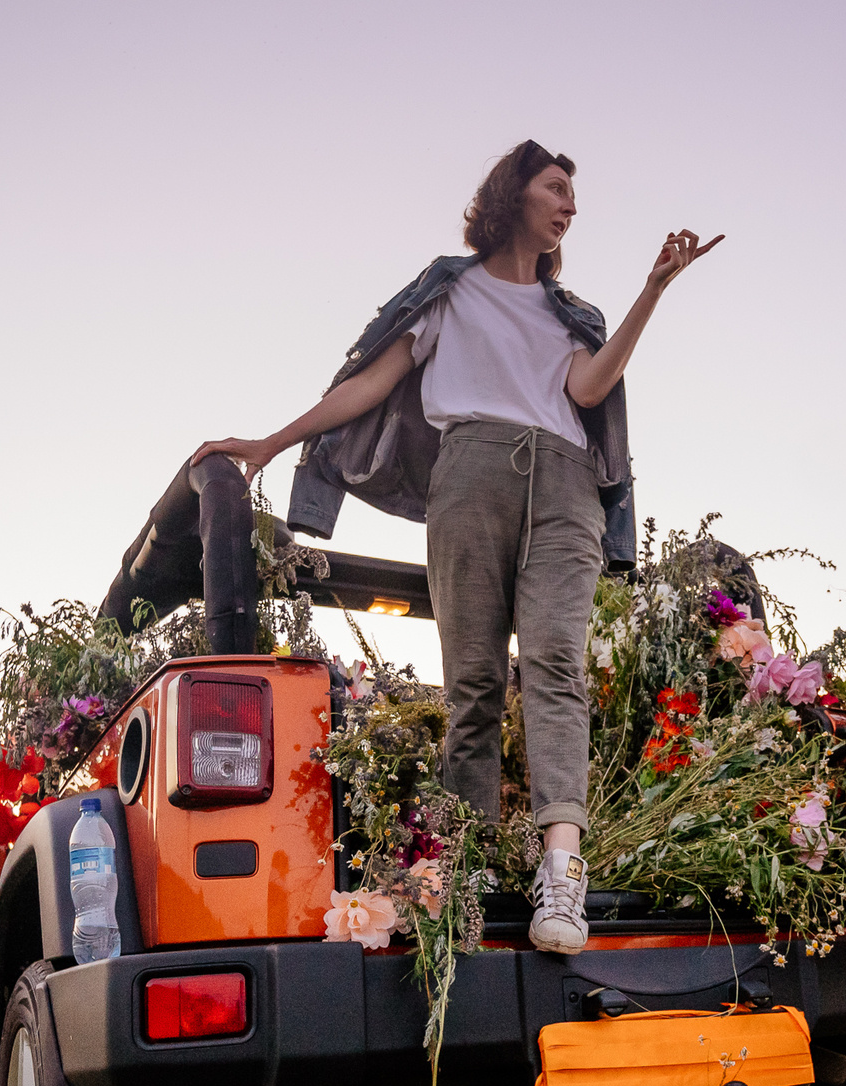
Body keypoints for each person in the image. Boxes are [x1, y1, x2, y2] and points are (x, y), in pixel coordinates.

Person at [198, 141, 721, 952]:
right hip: (471, 474)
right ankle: (469, 868)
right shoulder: (451, 291)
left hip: (567, 485)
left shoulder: (568, 313)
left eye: (574, 197)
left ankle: (561, 873)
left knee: (554, 661)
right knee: (474, 681)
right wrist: (274, 439)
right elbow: (368, 382)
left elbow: (588, 389)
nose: (570, 206)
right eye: (557, 188)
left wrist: (651, 292)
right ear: (514, 194)